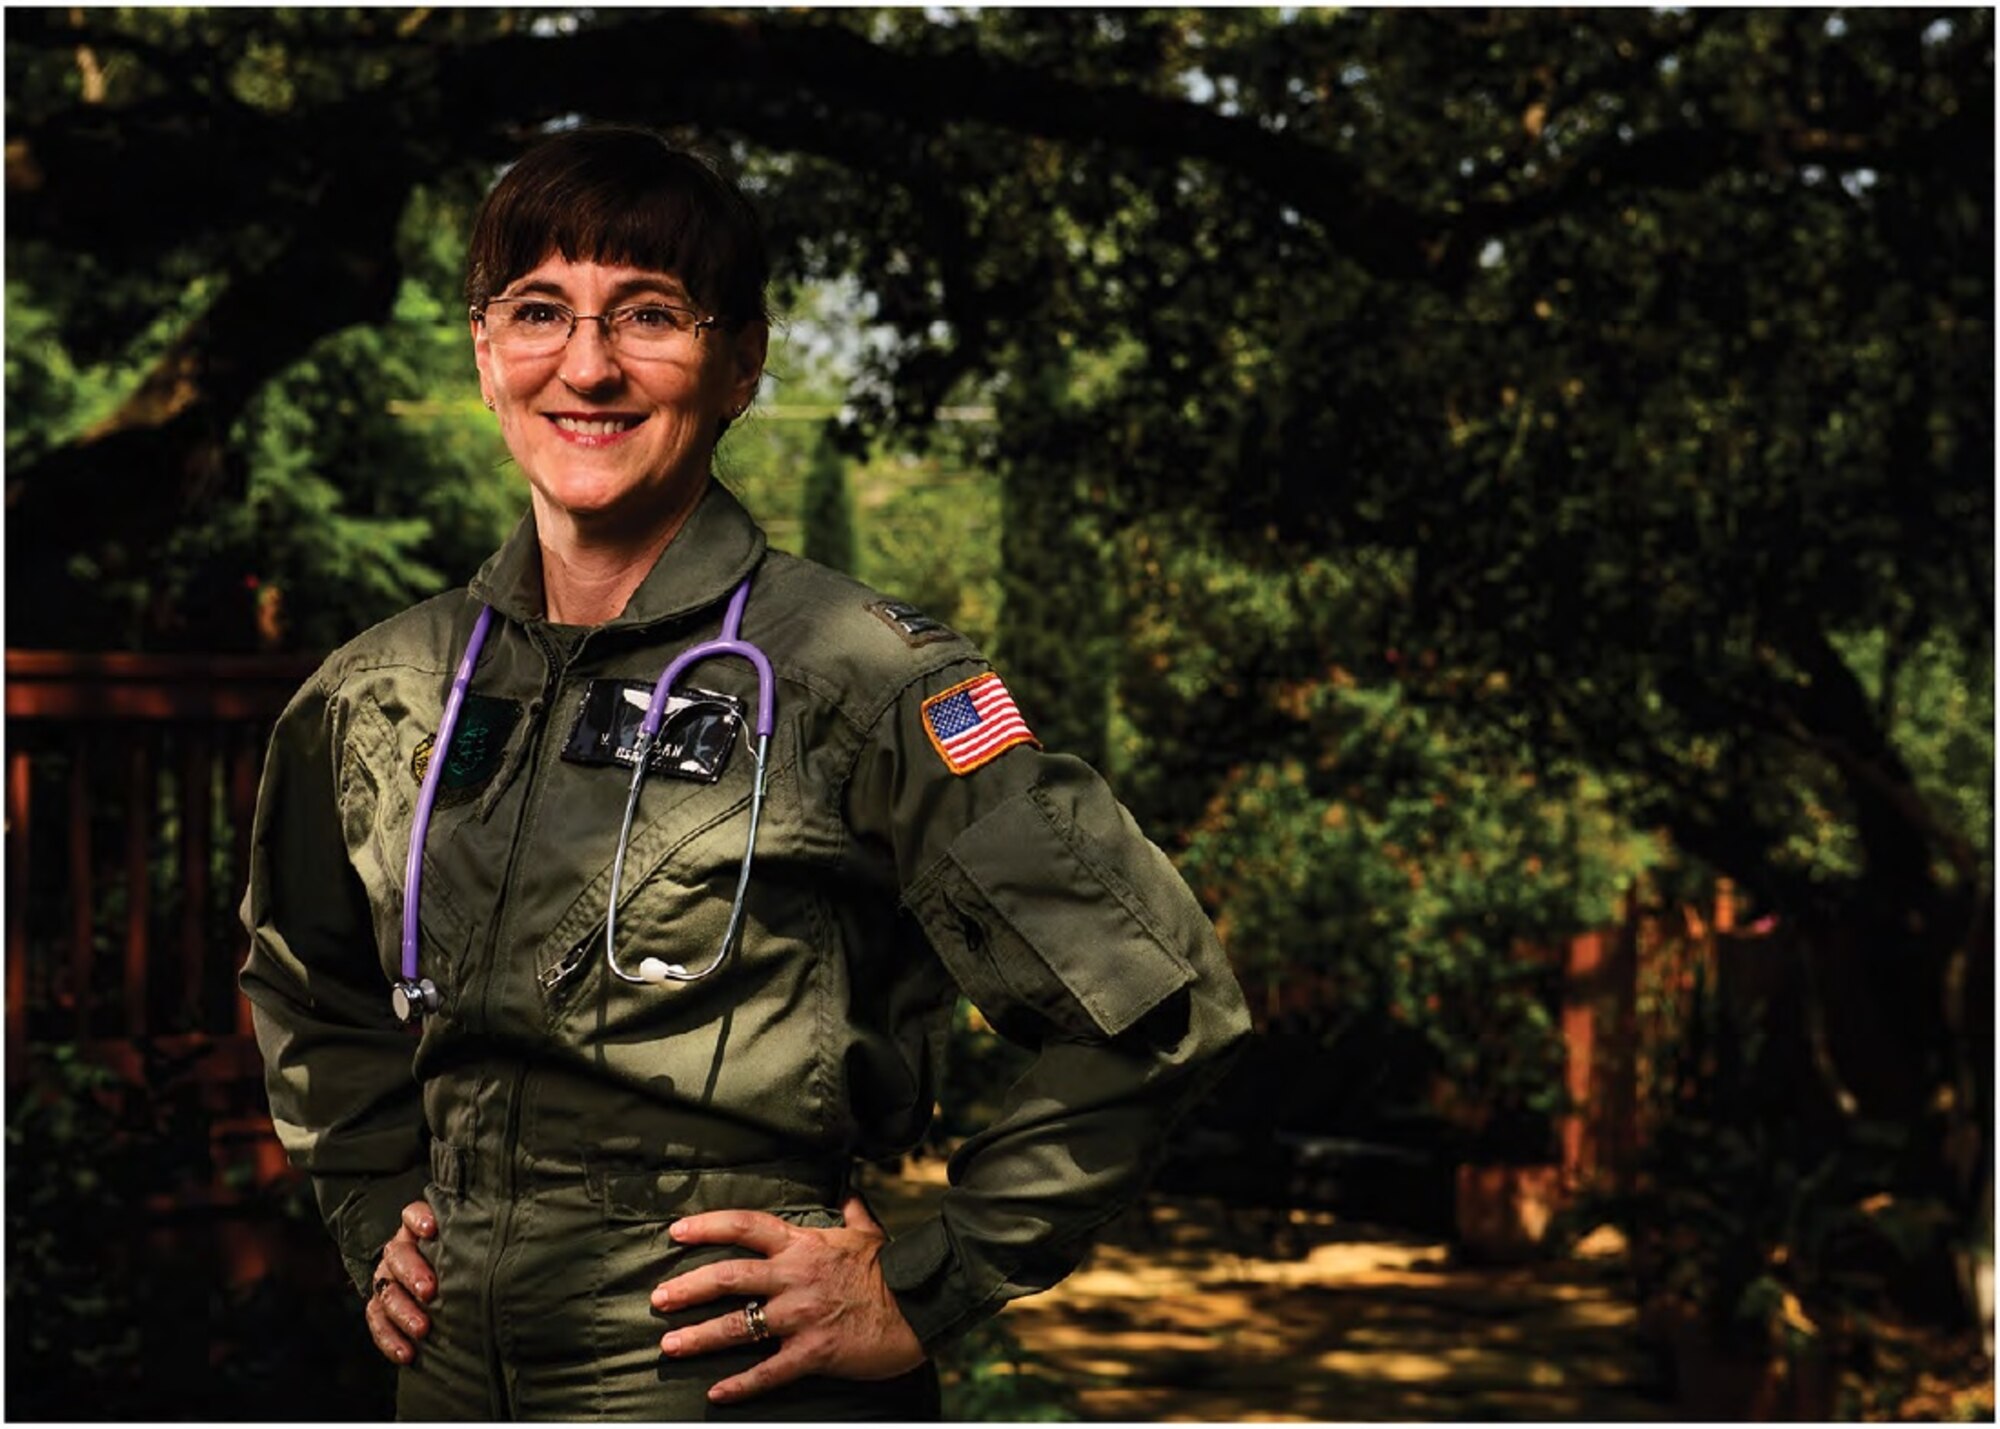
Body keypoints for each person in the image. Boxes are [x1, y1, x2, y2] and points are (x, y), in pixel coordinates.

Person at [239, 126, 1250, 1421]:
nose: (588, 364)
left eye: (648, 313)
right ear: (485, 350)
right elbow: (306, 975)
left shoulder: (862, 679)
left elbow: (1156, 1006)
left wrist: (926, 1281)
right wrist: (375, 1198)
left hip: (731, 1372)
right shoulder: (379, 691)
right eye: (540, 309)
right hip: (448, 1378)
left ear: (741, 362)